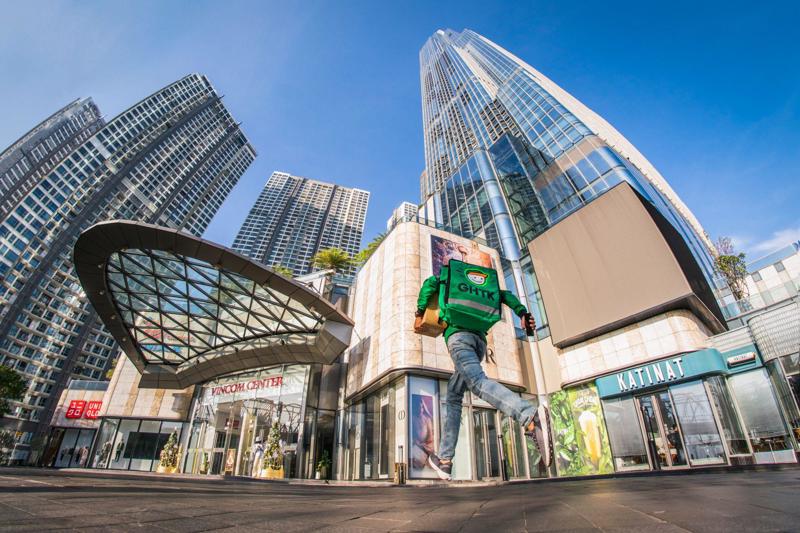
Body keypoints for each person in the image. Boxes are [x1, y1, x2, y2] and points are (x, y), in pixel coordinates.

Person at [414, 265, 550, 480]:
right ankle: (445, 460)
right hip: (479, 342)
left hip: (458, 338)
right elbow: (506, 296)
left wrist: (419, 312)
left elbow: (429, 285)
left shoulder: (448, 277)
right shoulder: (486, 285)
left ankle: (529, 415)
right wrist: (522, 313)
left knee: (477, 382)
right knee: (454, 396)